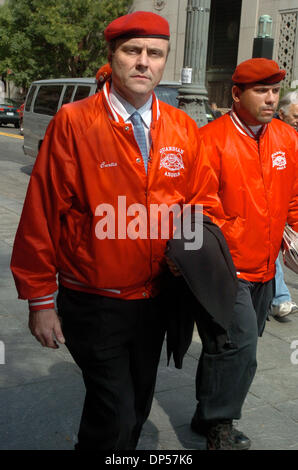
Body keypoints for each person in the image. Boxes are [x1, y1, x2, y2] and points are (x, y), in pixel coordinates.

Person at [10, 11, 221, 451]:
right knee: (115, 412)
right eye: (133, 51)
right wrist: (40, 300)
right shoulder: (74, 122)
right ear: (113, 56)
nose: (144, 62)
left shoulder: (183, 127)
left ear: (164, 62)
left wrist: (194, 259)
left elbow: (201, 203)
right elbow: (42, 214)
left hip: (157, 299)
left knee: (137, 406)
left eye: (155, 54)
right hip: (94, 302)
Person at [188, 58, 298, 450]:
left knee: (225, 347)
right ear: (236, 94)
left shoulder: (287, 138)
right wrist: (230, 242)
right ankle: (219, 428)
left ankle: (204, 414)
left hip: (266, 268)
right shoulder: (210, 140)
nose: (271, 99)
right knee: (241, 348)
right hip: (225, 269)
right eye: (261, 91)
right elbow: (200, 210)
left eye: (274, 92)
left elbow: (294, 201)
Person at [270, 91, 298, 320]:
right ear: (282, 114)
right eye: (295, 115)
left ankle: (279, 297)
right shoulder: (275, 135)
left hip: (290, 203)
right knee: (273, 248)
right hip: (275, 204)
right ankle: (279, 298)